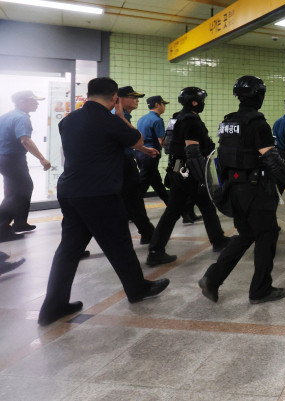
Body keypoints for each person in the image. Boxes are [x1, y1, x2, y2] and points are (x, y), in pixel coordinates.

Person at [38, 78, 170, 326]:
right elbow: (137, 140)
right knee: (119, 244)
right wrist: (119, 114)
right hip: (98, 193)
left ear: (88, 94)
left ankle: (52, 307)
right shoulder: (109, 120)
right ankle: (137, 289)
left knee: (68, 249)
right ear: (114, 98)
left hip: (69, 191)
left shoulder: (69, 119)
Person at [199, 76, 285, 305]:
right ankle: (260, 290)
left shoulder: (228, 123)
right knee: (267, 234)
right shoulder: (257, 124)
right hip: (256, 191)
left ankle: (212, 279)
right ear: (259, 95)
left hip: (234, 188)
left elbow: (222, 158)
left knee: (247, 234)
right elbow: (272, 159)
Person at [146, 87, 231, 266]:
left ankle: (155, 250)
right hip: (188, 170)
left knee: (173, 210)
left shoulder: (176, 118)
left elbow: (167, 146)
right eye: (201, 100)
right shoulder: (191, 119)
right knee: (207, 205)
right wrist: (201, 177)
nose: (202, 104)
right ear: (194, 102)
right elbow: (192, 150)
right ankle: (218, 240)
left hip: (177, 168)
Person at [135, 96, 200, 224]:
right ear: (157, 105)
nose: (164, 107)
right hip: (151, 155)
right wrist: (176, 148)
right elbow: (162, 141)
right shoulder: (157, 120)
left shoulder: (142, 118)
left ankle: (184, 213)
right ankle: (132, 212)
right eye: (163, 104)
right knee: (142, 187)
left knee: (159, 187)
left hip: (140, 154)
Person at [0, 90, 52, 241]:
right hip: (13, 159)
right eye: (33, 101)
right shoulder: (21, 118)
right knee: (20, 191)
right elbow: (25, 140)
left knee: (15, 190)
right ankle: (2, 228)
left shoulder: (6, 116)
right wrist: (42, 158)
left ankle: (20, 223)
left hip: (5, 158)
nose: (36, 103)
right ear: (22, 102)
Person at [114, 86, 155, 245]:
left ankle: (147, 233)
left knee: (131, 199)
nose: (137, 100)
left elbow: (129, 141)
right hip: (124, 162)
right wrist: (142, 145)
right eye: (134, 97)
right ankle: (148, 234)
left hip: (125, 159)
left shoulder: (122, 114)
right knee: (134, 199)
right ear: (121, 99)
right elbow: (136, 137)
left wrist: (143, 149)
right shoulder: (119, 115)